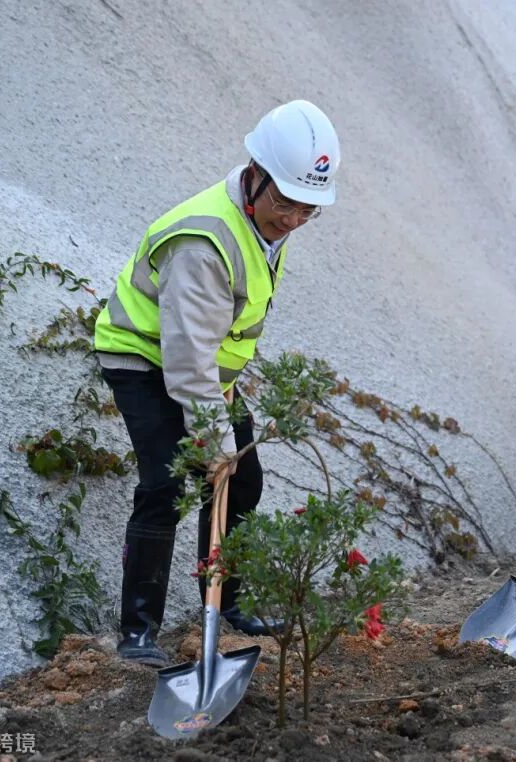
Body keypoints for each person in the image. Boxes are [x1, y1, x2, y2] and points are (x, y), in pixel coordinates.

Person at [93, 100, 341, 666]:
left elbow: (212, 341)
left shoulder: (268, 220)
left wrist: (227, 441)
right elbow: (184, 357)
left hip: (204, 368)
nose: (295, 220)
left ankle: (226, 606)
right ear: (255, 174)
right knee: (168, 481)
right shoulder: (204, 245)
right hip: (144, 357)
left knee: (242, 477)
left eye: (309, 209)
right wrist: (211, 439)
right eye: (286, 203)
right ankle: (136, 635)